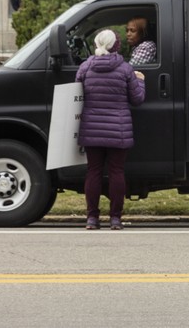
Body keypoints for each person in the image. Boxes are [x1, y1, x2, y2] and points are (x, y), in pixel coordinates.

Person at [75, 29, 146, 230]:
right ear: (116, 45)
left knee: (94, 172)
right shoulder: (125, 70)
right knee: (116, 172)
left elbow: (76, 95)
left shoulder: (85, 68)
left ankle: (92, 218)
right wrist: (140, 80)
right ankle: (115, 219)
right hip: (118, 129)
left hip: (91, 128)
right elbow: (137, 99)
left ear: (97, 43)